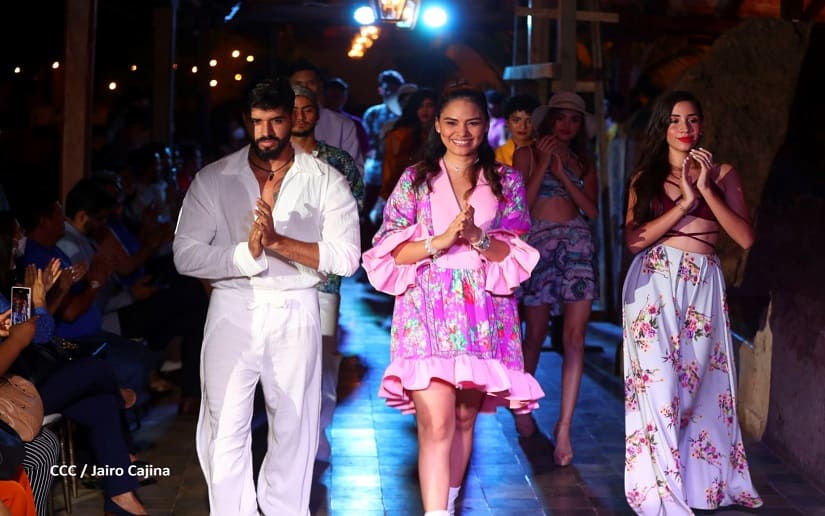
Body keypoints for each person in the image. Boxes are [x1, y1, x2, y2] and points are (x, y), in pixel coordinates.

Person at [173, 77, 360, 515]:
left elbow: (347, 257)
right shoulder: (214, 178)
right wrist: (246, 253)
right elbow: (185, 254)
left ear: (292, 119)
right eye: (258, 122)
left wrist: (278, 243)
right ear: (246, 121)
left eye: (276, 120)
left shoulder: (325, 180)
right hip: (232, 306)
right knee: (223, 425)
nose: (267, 132)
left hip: (296, 304)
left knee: (294, 426)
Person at [362, 85, 543, 516]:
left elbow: (514, 254)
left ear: (486, 125)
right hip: (426, 308)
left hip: (484, 312)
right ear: (438, 127)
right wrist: (440, 241)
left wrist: (478, 237)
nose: (463, 132)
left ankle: (448, 503)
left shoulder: (505, 181)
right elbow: (390, 251)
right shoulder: (415, 180)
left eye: (473, 122)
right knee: (437, 422)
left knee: (464, 420)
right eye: (452, 123)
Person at [621, 90, 762, 514]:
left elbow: (745, 238)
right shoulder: (645, 177)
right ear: (662, 127)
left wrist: (704, 189)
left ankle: (696, 484)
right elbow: (634, 240)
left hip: (703, 283)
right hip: (654, 281)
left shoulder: (723, 173)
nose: (684, 128)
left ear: (702, 126)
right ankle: (659, 495)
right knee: (658, 387)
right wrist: (683, 203)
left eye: (692, 120)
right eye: (675, 120)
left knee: (694, 389)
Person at [0, 211, 147, 516]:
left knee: (100, 403)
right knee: (96, 370)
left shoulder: (13, 282)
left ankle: (121, 498)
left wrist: (50, 295)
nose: (19, 242)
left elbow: (38, 336)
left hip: (27, 378)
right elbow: (35, 336)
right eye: (14, 237)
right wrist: (40, 304)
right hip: (15, 392)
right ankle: (117, 398)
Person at [513, 92, 599, 465]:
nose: (567, 125)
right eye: (561, 118)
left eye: (574, 119)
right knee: (534, 334)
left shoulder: (584, 162)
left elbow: (592, 210)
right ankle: (522, 407)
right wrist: (545, 164)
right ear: (548, 120)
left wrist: (564, 173)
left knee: (574, 338)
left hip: (577, 245)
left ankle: (564, 427)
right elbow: (521, 209)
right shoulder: (526, 155)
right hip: (539, 246)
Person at [290, 84, 364, 461]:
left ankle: (318, 431)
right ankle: (290, 434)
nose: (300, 116)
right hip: (276, 274)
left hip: (324, 275)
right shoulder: (266, 158)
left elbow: (354, 210)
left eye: (307, 109)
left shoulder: (338, 161)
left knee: (322, 355)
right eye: (293, 109)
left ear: (318, 113)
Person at [371, 88, 438, 225]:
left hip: (436, 192)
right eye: (420, 105)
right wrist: (385, 195)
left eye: (429, 105)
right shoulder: (399, 136)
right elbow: (390, 168)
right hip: (406, 193)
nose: (424, 110)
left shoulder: (443, 135)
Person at [494, 93, 540, 166]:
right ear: (507, 123)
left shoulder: (543, 150)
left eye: (529, 121)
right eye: (516, 120)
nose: (523, 126)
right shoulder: (499, 154)